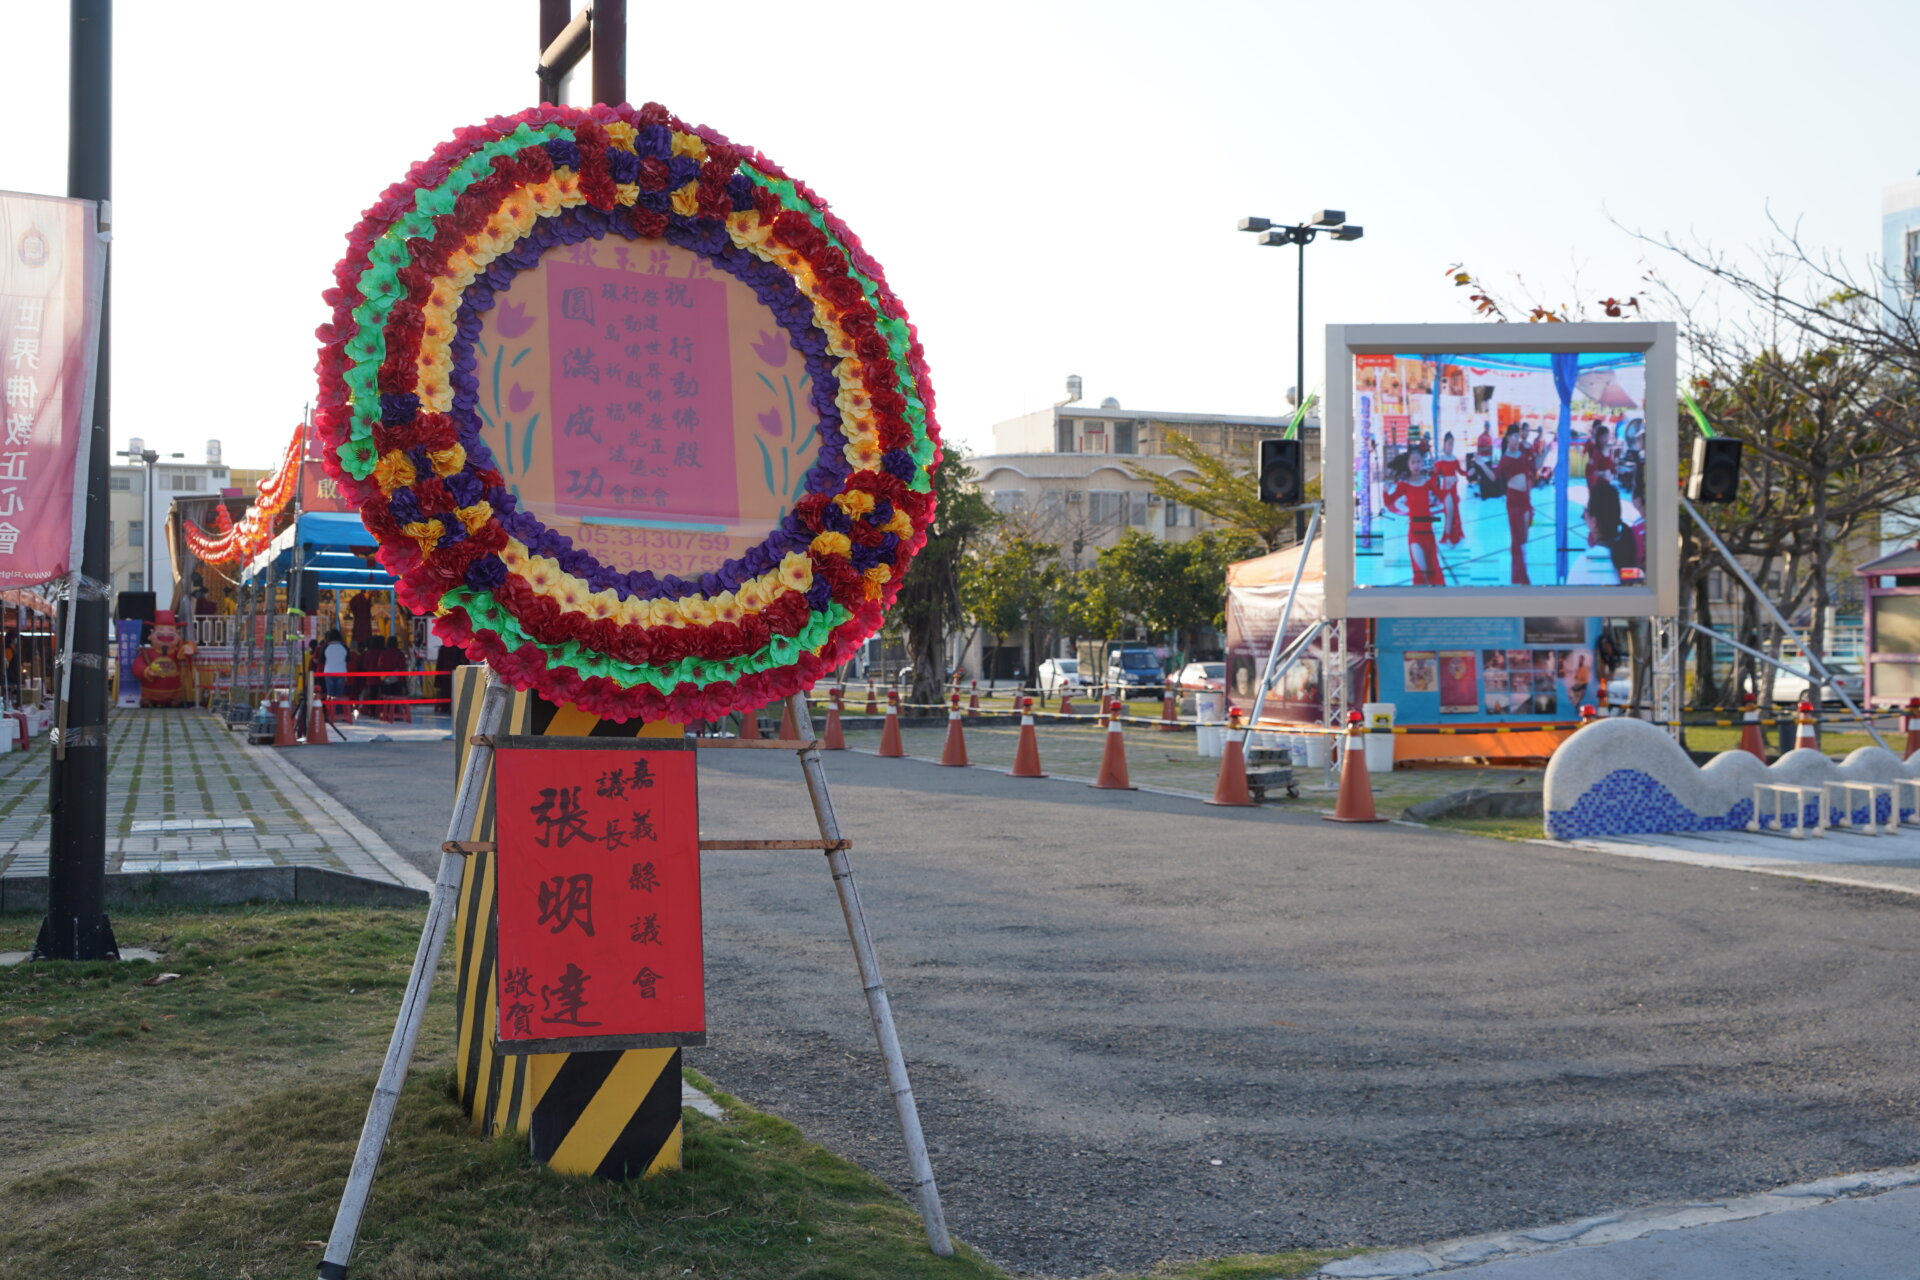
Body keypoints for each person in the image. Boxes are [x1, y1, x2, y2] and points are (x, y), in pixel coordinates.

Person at [1382, 448, 1447, 586]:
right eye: (1413, 462)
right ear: (1408, 464)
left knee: (1432, 573)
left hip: (1428, 534)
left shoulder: (1429, 482)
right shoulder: (1404, 485)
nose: (1416, 465)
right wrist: (1385, 491)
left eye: (1418, 462)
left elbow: (1442, 496)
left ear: (1423, 463)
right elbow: (1388, 502)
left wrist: (1448, 486)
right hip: (1415, 535)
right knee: (1421, 572)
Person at [1494, 423, 1540, 585]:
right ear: (1508, 438)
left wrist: (1546, 451)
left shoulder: (1522, 454)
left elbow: (1534, 468)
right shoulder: (1505, 458)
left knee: (1524, 538)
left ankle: (1522, 568)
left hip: (1525, 498)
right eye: (1514, 436)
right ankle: (1520, 576)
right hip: (1513, 500)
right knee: (1518, 539)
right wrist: (1479, 465)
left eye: (1518, 436)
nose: (1517, 439)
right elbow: (1495, 476)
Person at [1584, 479, 1642, 582]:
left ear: (1594, 521)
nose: (1584, 516)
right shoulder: (1630, 538)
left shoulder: (1587, 562)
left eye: (1586, 510)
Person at [1434, 431, 1465, 546]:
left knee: (1454, 512)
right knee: (1449, 512)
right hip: (1446, 490)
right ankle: (1447, 537)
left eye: (1452, 444)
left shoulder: (1455, 459)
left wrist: (1469, 473)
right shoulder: (1441, 461)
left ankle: (1453, 535)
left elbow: (1461, 472)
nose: (1451, 447)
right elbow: (1434, 476)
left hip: (1454, 489)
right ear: (1444, 444)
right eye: (1449, 444)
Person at [320, 628, 349, 720]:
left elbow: (321, 660)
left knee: (330, 694)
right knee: (339, 694)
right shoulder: (344, 647)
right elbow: (349, 659)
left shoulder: (325, 647)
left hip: (328, 672)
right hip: (341, 672)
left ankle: (331, 714)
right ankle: (339, 713)